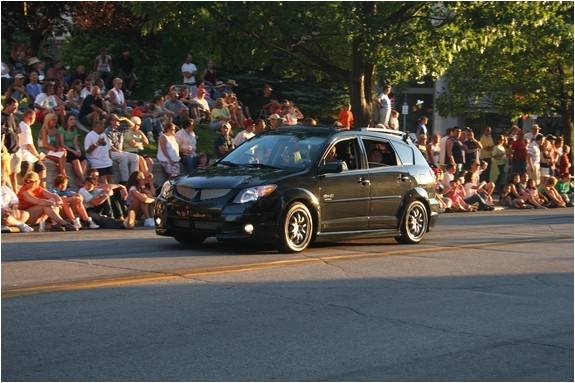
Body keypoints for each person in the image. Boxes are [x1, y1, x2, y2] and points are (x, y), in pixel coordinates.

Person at [105, 114, 139, 184]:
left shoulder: (119, 128)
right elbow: (110, 146)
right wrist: (118, 151)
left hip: (119, 151)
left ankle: (133, 179)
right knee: (123, 157)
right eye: (116, 119)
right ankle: (125, 180)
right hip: (111, 152)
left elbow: (132, 125)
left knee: (135, 157)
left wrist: (125, 119)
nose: (118, 120)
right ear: (111, 121)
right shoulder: (108, 131)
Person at [58, 114, 87, 187]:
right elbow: (62, 144)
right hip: (65, 149)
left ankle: (79, 180)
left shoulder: (74, 130)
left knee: (84, 160)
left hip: (72, 148)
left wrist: (78, 150)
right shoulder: (61, 129)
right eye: (71, 119)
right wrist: (73, 151)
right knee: (76, 161)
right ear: (66, 120)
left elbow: (75, 143)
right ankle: (84, 181)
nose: (72, 121)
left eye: (74, 119)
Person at [1, 168, 34, 233]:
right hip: (2, 213)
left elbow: (14, 200)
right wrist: (2, 210)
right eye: (2, 178)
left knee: (25, 214)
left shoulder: (6, 188)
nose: (4, 181)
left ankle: (8, 225)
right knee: (5, 218)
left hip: (8, 212)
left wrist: (14, 208)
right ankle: (20, 224)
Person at [38, 112, 68, 177]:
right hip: (44, 150)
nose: (55, 121)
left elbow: (57, 144)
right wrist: (56, 149)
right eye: (53, 120)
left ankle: (61, 175)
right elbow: (45, 144)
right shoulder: (44, 130)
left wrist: (60, 149)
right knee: (61, 158)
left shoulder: (56, 130)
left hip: (52, 150)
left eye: (56, 120)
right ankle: (63, 175)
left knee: (63, 154)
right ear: (48, 120)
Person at [2, 97, 22, 190]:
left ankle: (15, 192)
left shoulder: (15, 118)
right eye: (14, 106)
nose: (15, 108)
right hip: (6, 151)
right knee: (5, 173)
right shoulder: (1, 117)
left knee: (14, 174)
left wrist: (19, 146)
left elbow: (18, 132)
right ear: (7, 105)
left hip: (16, 149)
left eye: (17, 106)